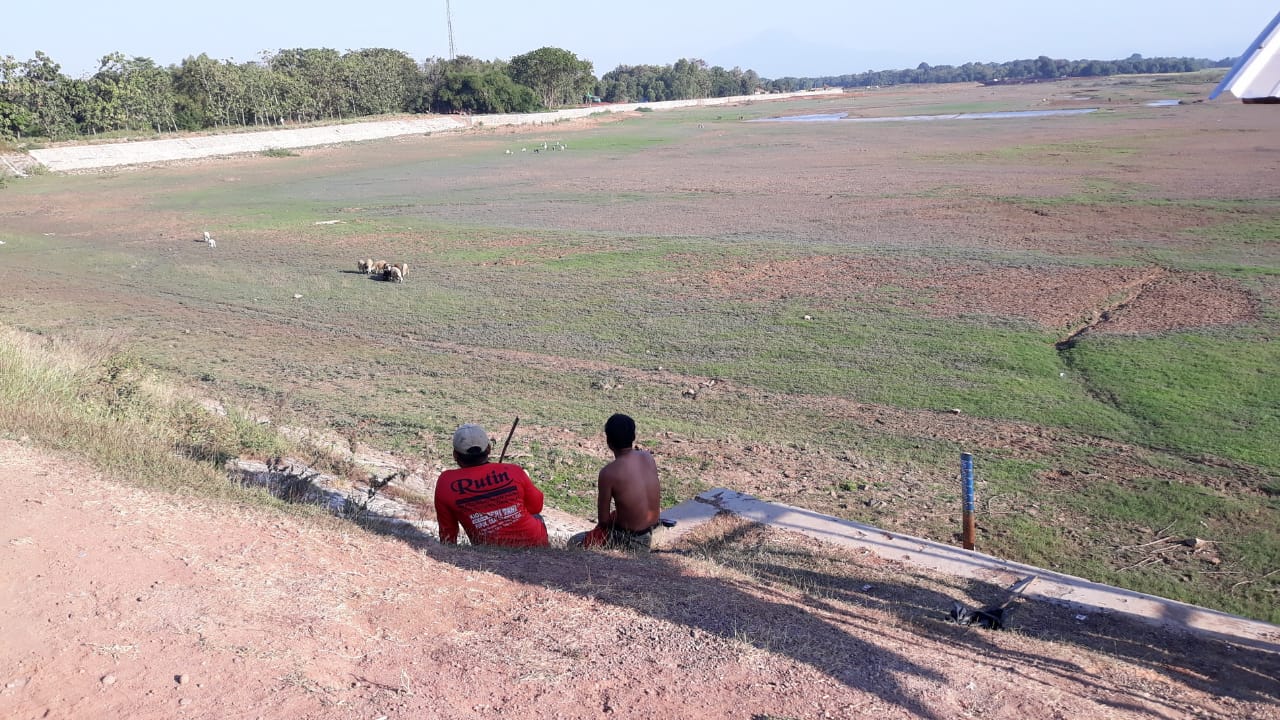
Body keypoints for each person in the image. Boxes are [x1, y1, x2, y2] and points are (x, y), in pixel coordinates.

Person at [434, 423, 549, 547]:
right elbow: (536, 507)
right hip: (535, 543)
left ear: (455, 455)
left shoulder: (446, 482)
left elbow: (448, 537)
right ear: (488, 449)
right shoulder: (513, 470)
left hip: (487, 549)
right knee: (537, 517)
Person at [572, 413, 662, 552]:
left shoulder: (608, 473)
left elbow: (603, 521)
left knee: (574, 542)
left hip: (629, 540)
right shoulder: (648, 457)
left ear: (608, 441)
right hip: (651, 530)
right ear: (633, 437)